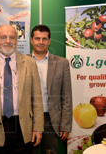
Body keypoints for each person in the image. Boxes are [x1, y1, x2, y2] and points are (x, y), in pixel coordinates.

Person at [0, 25, 44, 154]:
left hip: (23, 126)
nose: (7, 41)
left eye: (12, 37)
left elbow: (37, 99)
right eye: (3, 37)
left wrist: (38, 128)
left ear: (17, 41)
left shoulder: (30, 63)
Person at [30, 25, 72, 154]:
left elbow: (67, 96)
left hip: (51, 119)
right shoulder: (22, 62)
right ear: (32, 40)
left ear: (49, 41)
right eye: (37, 38)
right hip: (28, 118)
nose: (40, 42)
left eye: (44, 39)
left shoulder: (62, 63)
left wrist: (65, 124)